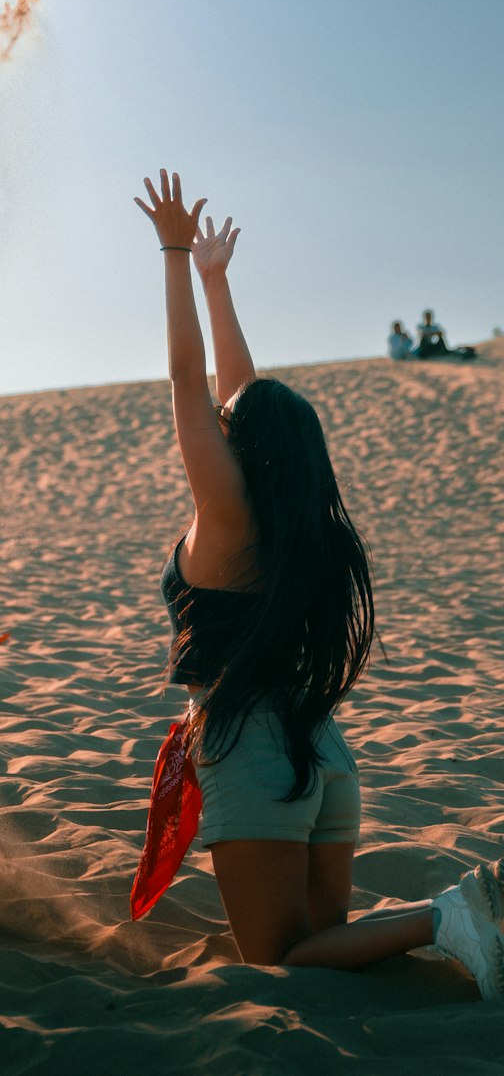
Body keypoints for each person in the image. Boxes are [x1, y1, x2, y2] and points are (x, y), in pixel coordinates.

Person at [134, 168, 503, 995]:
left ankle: (446, 917)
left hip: (253, 749)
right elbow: (241, 397)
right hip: (322, 746)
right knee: (325, 939)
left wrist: (172, 255)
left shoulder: (227, 521)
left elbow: (190, 384)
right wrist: (217, 279)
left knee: (278, 957)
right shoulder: (305, 529)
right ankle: (460, 932)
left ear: (244, 449)